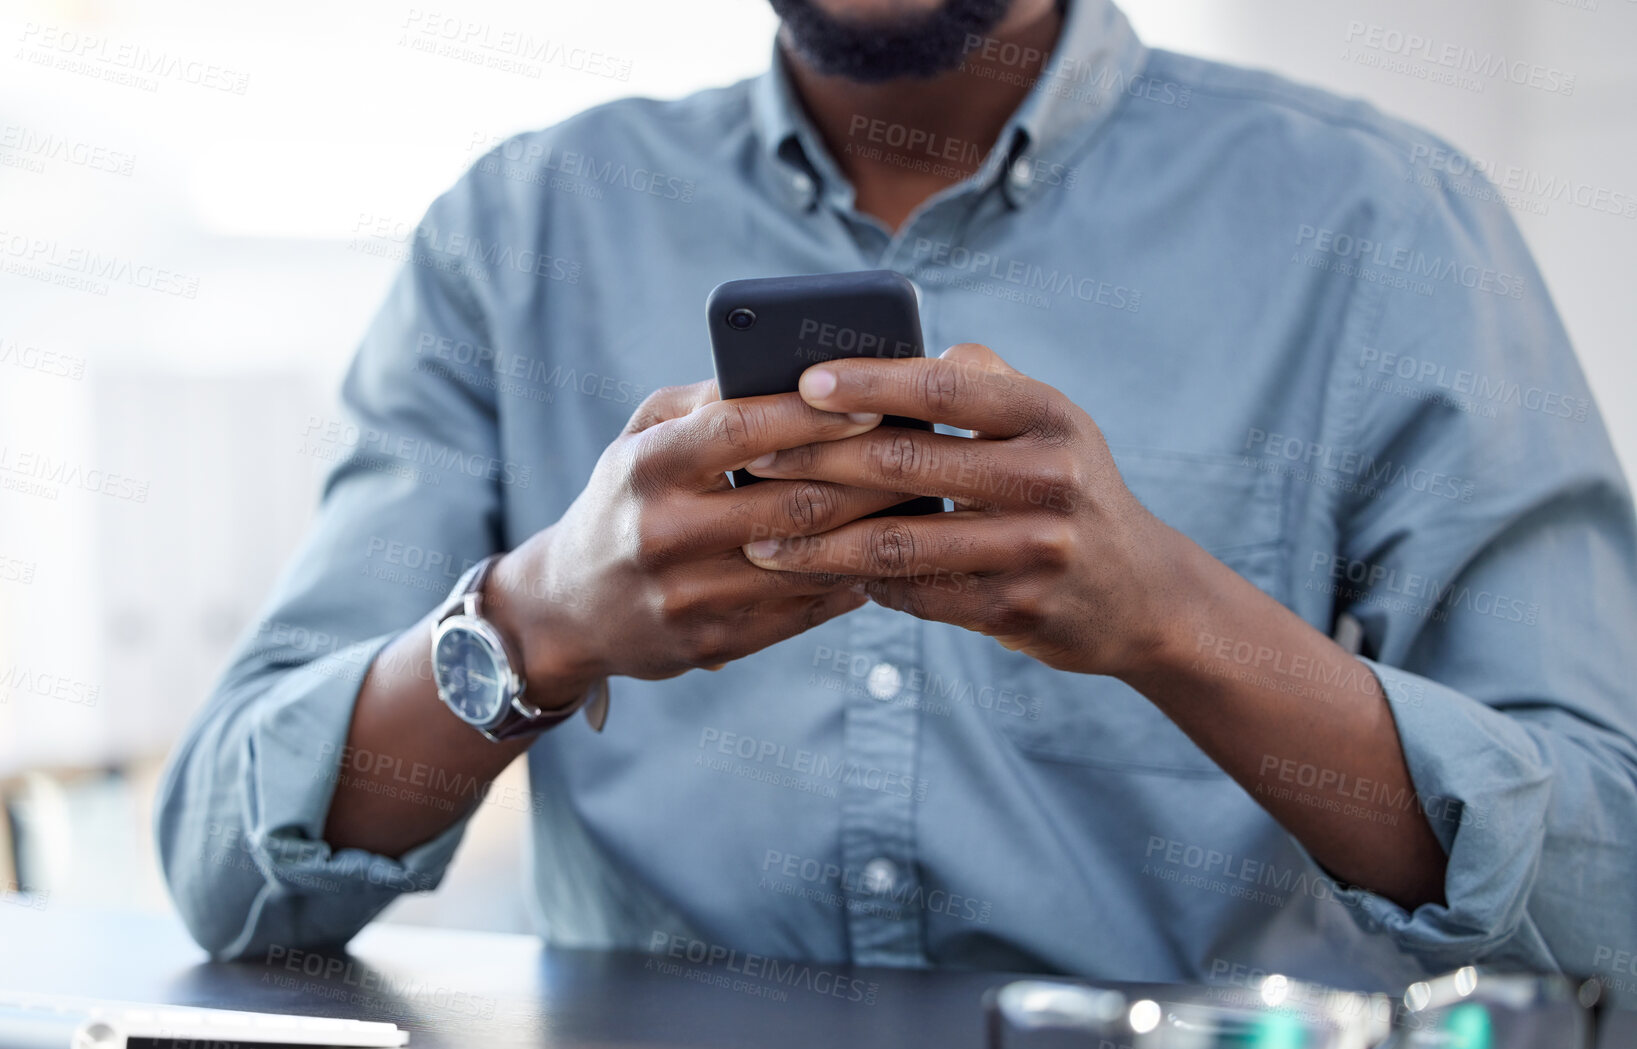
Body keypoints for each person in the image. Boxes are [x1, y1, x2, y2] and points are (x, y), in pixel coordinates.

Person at [157, 0, 1637, 992]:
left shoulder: (1380, 226)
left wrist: (1175, 623)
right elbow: (235, 877)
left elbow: (1608, 896)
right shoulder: (517, 231)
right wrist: (535, 627)